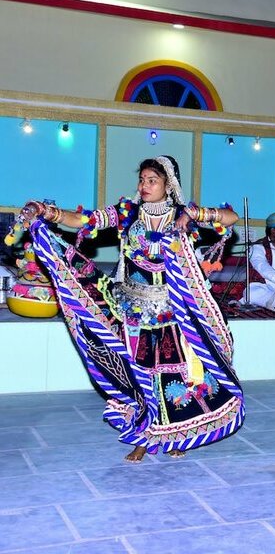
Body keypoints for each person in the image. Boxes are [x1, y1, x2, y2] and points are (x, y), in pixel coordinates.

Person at [12, 155, 245, 462]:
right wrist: (47, 212)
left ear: (168, 184)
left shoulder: (181, 215)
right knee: (140, 372)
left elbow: (231, 218)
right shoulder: (127, 213)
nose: (145, 186)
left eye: (152, 180)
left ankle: (174, 434)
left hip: (173, 310)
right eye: (142, 180)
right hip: (132, 307)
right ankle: (144, 438)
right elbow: (84, 221)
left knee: (173, 373)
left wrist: (195, 213)